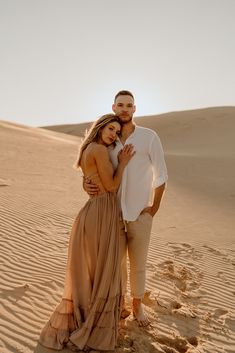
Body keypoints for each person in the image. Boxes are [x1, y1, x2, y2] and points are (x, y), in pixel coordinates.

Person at [39, 114, 135, 352]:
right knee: (105, 268)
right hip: (102, 212)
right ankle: (94, 321)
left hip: (94, 212)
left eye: (116, 131)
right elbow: (111, 186)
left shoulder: (87, 149)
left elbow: (90, 180)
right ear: (99, 128)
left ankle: (88, 313)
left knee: (95, 269)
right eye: (110, 128)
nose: (113, 134)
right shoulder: (100, 151)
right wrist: (122, 163)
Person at [84, 91, 168, 327]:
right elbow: (94, 170)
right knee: (116, 263)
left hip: (140, 213)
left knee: (138, 263)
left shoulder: (148, 137)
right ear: (113, 107)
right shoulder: (109, 140)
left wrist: (154, 208)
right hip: (112, 213)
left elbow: (161, 174)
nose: (124, 109)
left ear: (134, 109)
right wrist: (85, 183)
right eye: (120, 105)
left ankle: (137, 305)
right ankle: (120, 305)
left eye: (128, 105)